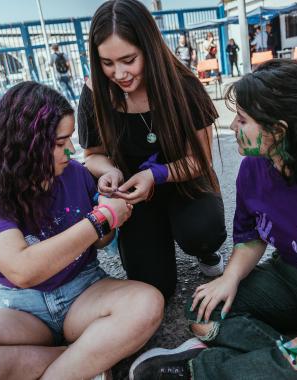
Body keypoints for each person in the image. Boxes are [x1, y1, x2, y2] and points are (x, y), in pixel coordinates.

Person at [129, 58, 297, 379]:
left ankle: (199, 369)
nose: (232, 127)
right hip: (286, 274)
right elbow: (251, 237)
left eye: (242, 120)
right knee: (204, 307)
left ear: (279, 130)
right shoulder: (253, 168)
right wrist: (229, 278)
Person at [0, 81, 164, 380]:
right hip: (23, 307)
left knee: (147, 303)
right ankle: (88, 357)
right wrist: (100, 219)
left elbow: (100, 243)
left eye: (69, 140)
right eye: (60, 144)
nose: (71, 151)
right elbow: (22, 270)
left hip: (83, 290)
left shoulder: (76, 175)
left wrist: (110, 217)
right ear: (26, 144)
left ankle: (70, 367)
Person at [78, 0, 227, 300]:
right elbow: (91, 154)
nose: (119, 73)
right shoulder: (94, 91)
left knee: (201, 232)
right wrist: (110, 171)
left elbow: (201, 160)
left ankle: (205, 251)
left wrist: (157, 174)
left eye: (128, 59)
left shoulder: (183, 86)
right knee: (154, 287)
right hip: (134, 196)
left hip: (185, 183)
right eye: (107, 63)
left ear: (149, 48)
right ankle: (155, 236)